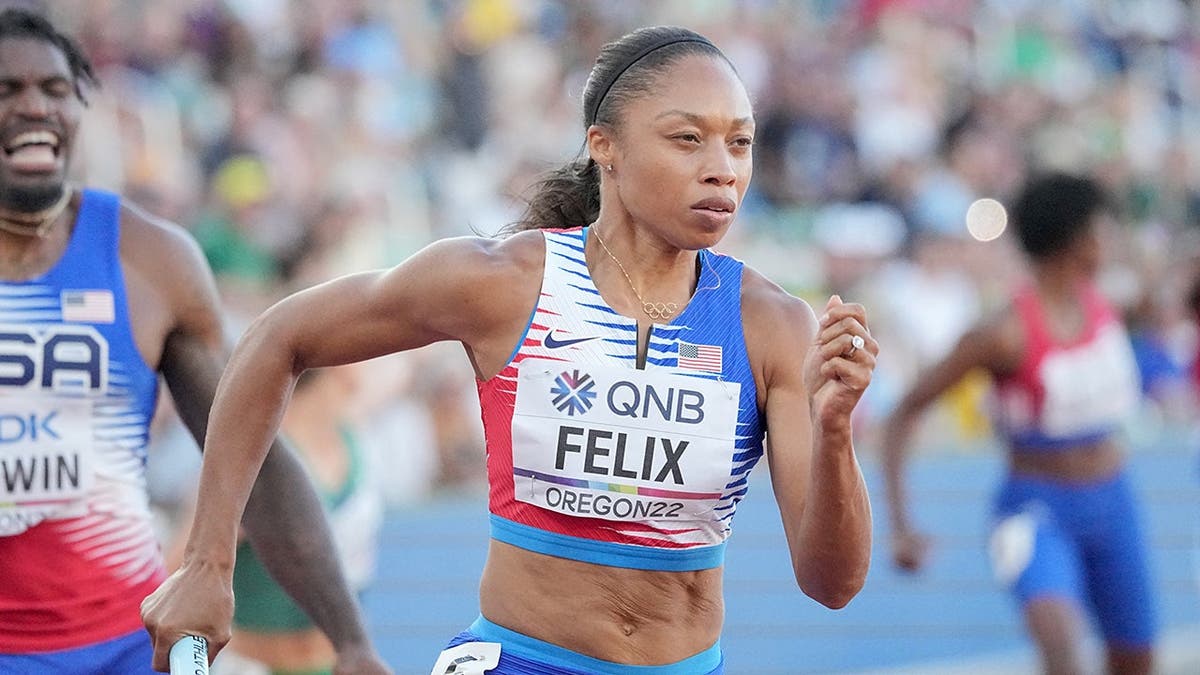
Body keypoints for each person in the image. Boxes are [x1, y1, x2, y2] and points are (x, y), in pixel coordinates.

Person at [142, 25, 876, 674]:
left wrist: (836, 427)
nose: (723, 167)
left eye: (739, 141)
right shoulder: (505, 283)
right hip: (520, 660)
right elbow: (277, 336)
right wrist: (208, 558)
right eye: (688, 138)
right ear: (605, 148)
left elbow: (832, 583)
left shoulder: (770, 324)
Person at [0, 8, 388, 674]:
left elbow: (250, 456)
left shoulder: (149, 261)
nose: (35, 106)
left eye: (55, 90)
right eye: (6, 91)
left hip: (123, 642)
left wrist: (350, 640)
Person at [882, 172, 1156, 675]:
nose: (1111, 239)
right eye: (1103, 228)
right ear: (1078, 240)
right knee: (1064, 653)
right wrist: (901, 526)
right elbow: (903, 413)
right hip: (1037, 511)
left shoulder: (1107, 303)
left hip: (1115, 502)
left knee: (1137, 659)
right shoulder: (1002, 332)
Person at [215, 366, 384, 675]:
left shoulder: (354, 435)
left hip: (334, 663)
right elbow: (183, 563)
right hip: (257, 664)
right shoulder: (256, 453)